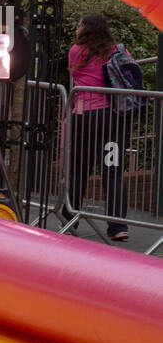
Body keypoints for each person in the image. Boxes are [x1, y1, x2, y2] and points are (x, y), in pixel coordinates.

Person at [66, 12, 130, 241]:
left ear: (87, 29)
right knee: (111, 171)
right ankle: (117, 226)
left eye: (79, 25)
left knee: (79, 169)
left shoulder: (76, 51)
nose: (76, 29)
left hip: (83, 115)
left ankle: (69, 216)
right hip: (110, 118)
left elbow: (73, 73)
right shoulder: (116, 51)